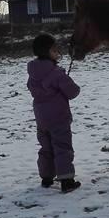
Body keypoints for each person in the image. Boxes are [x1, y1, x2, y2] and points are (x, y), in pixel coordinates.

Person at [27, 34, 81, 193]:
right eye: (55, 49)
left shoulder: (33, 73)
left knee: (46, 147)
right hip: (58, 117)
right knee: (62, 147)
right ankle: (66, 180)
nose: (58, 52)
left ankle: (46, 177)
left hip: (41, 118)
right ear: (47, 52)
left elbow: (32, 88)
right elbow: (72, 92)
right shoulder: (56, 74)